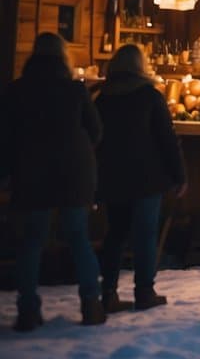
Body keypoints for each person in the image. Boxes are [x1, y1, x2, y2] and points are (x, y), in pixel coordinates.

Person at [2, 33, 104, 330]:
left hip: (31, 173)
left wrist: (7, 171)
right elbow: (96, 130)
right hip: (75, 173)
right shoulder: (75, 90)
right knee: (78, 238)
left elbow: (5, 137)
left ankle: (28, 310)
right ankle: (91, 304)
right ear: (63, 56)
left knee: (31, 242)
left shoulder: (16, 91)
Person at [95, 44, 187, 314]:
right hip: (147, 178)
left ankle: (108, 293)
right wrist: (179, 175)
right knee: (145, 235)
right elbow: (166, 139)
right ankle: (144, 291)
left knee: (115, 234)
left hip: (112, 177)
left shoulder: (102, 98)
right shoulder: (149, 96)